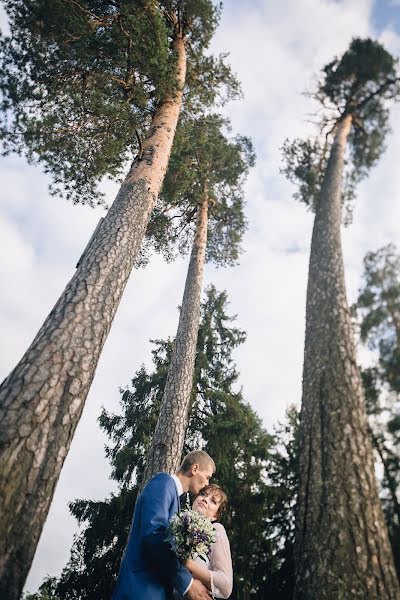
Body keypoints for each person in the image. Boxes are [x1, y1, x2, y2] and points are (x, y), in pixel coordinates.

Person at [112, 450, 216, 600]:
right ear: (194, 469)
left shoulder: (175, 500)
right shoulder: (163, 482)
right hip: (140, 591)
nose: (207, 484)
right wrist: (187, 583)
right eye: (207, 478)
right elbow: (153, 535)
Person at [182, 484, 233, 599]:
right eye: (203, 494)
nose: (205, 499)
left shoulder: (215, 530)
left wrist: (188, 564)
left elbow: (226, 586)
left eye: (213, 501)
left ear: (215, 515)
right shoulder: (175, 524)